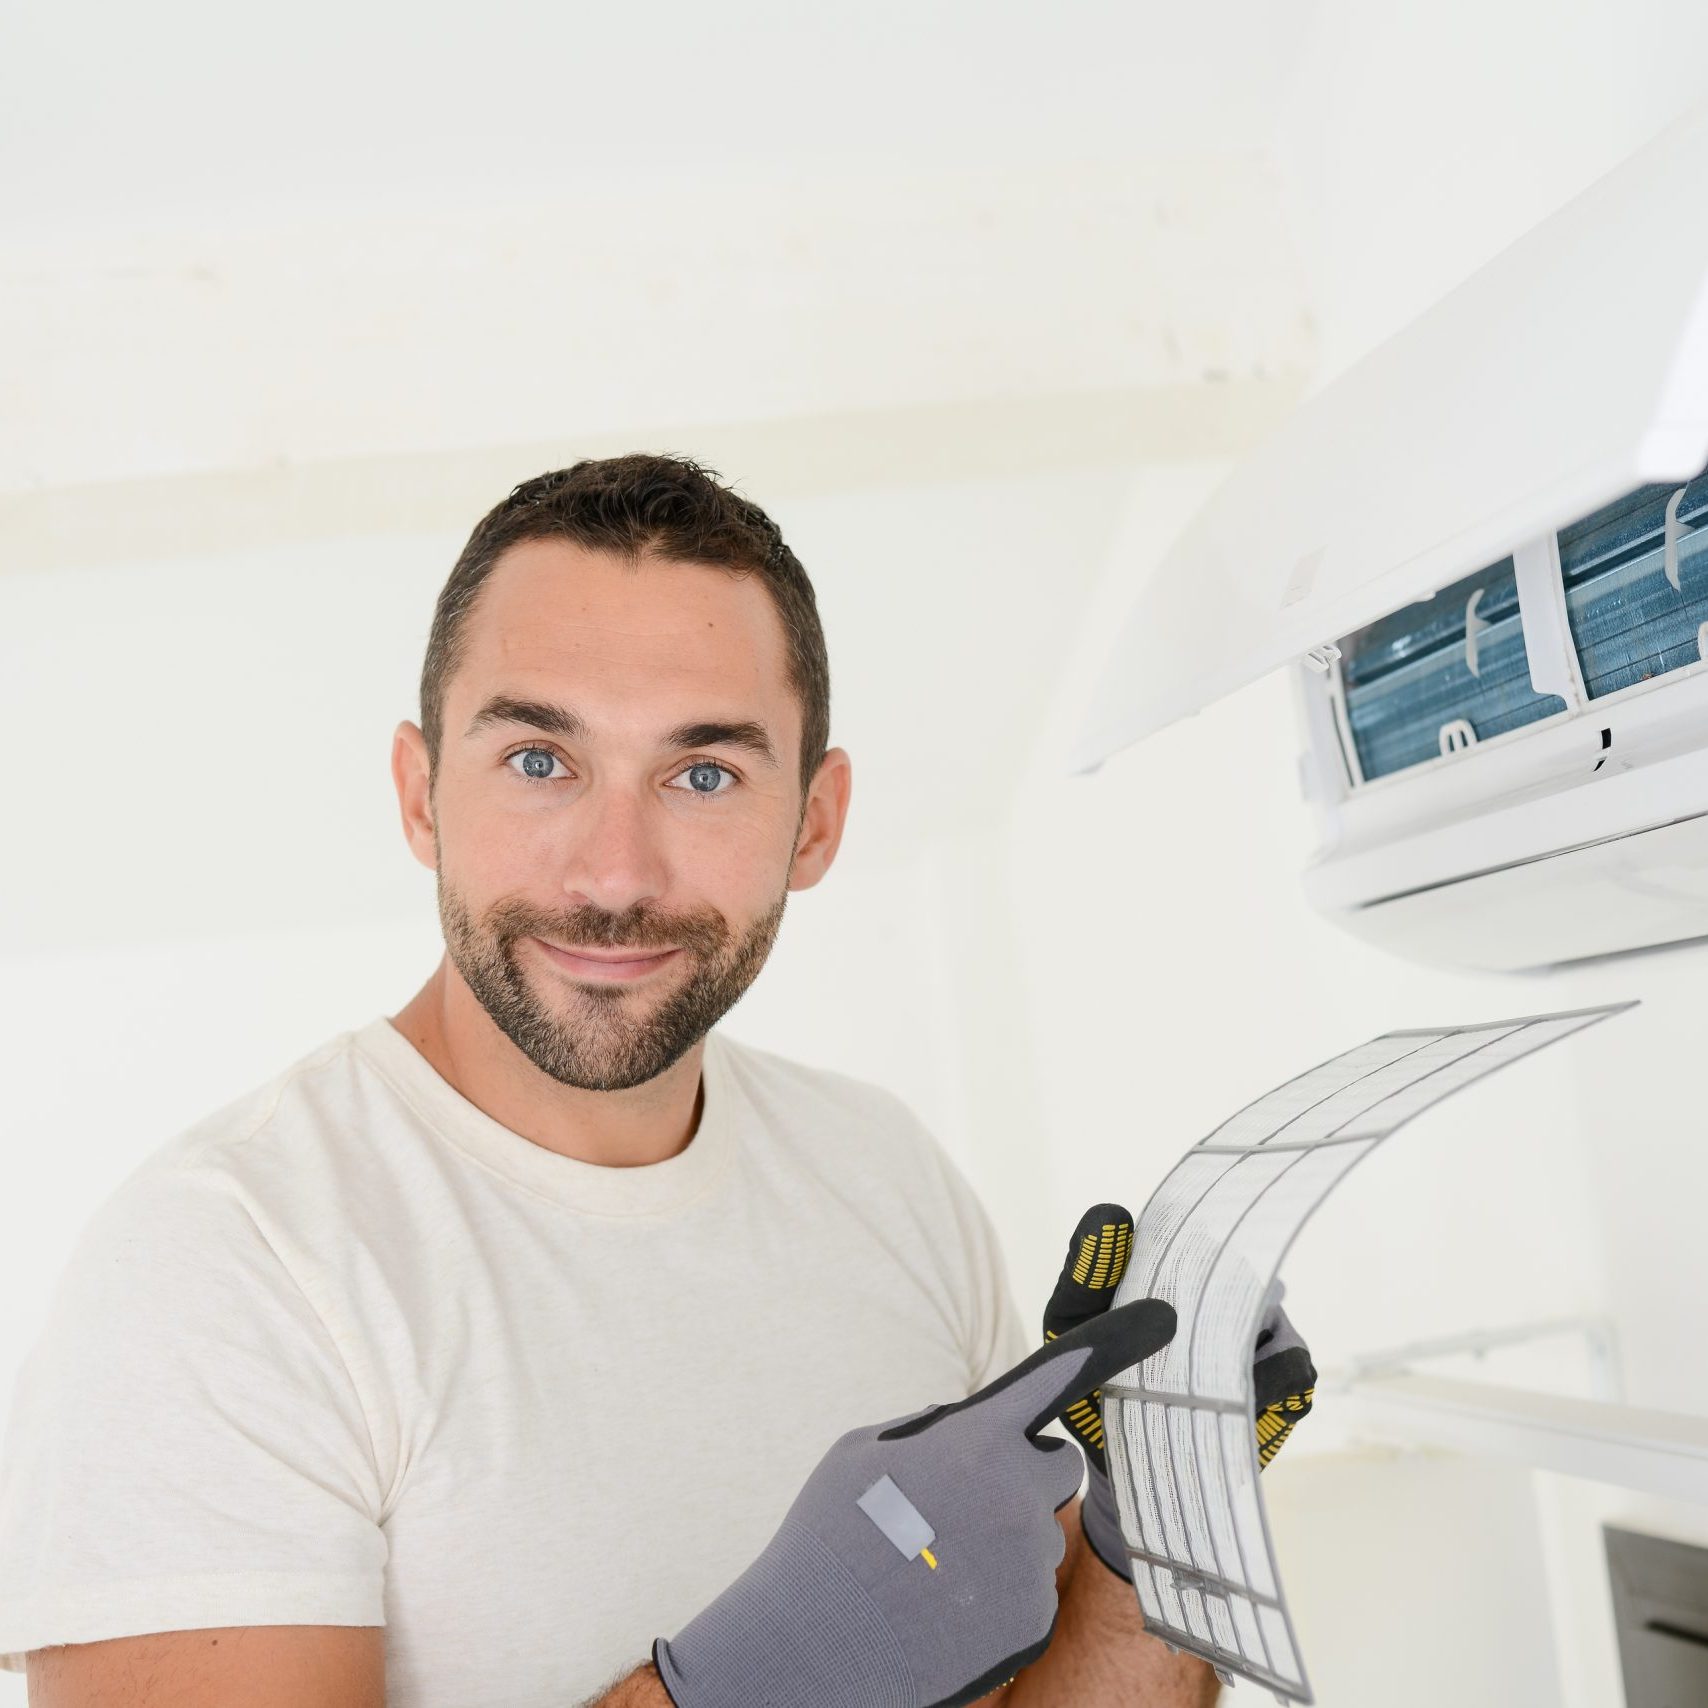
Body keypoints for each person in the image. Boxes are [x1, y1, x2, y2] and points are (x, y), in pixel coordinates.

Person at [0, 456, 1310, 1707]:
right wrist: (747, 1685)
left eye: (702, 774)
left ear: (814, 820)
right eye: (537, 761)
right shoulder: (229, 1267)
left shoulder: (889, 1181)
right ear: (419, 797)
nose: (613, 873)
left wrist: (1156, 1524)